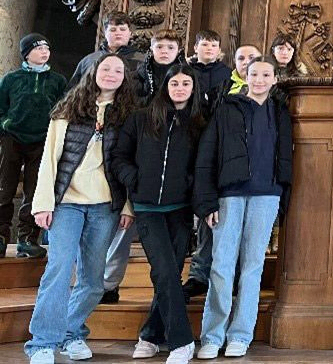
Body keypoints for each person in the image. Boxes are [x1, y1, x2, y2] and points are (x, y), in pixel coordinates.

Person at [24, 54, 136, 364]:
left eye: (118, 70)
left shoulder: (128, 115)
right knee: (59, 270)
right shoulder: (67, 110)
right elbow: (49, 160)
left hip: (105, 207)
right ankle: (42, 343)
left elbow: (129, 164)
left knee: (93, 279)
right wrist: (43, 203)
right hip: (67, 204)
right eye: (105, 68)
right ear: (92, 72)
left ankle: (72, 333)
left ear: (125, 77)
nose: (111, 74)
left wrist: (127, 205)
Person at [193, 57, 292, 359]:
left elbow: (287, 156)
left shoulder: (280, 112)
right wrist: (207, 200)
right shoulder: (227, 108)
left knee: (252, 267)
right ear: (245, 77)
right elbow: (208, 155)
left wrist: (283, 196)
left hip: (267, 195)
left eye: (266, 75)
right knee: (222, 265)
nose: (260, 80)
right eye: (254, 74)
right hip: (230, 194)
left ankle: (240, 334)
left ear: (275, 79)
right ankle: (212, 335)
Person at [113, 65, 205, 363]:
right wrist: (134, 179)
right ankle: (182, 341)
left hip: (180, 210)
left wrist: (190, 188)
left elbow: (201, 165)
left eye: (186, 83)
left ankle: (151, 334)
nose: (180, 88)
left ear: (193, 88)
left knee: (169, 274)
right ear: (166, 86)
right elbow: (119, 156)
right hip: (147, 208)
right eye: (174, 83)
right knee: (164, 271)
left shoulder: (198, 123)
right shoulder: (141, 118)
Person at [101, 28, 186, 304]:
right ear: (152, 49)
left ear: (178, 51)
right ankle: (108, 284)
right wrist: (132, 176)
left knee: (168, 244)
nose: (164, 52)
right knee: (122, 224)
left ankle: (166, 290)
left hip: (168, 164)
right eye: (159, 47)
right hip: (136, 152)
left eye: (169, 48)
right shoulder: (136, 78)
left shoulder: (183, 79)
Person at [184, 43, 262, 302]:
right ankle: (199, 275)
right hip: (220, 164)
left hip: (253, 170)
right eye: (241, 58)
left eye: (252, 57)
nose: (246, 61)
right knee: (210, 222)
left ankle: (238, 279)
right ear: (234, 62)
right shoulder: (220, 90)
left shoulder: (269, 92)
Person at [0, 34, 67, 258]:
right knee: (4, 189)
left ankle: (28, 239)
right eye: (38, 48)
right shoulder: (11, 79)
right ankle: (1, 236)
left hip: (42, 140)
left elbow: (62, 108)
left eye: (47, 48)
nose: (44, 52)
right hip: (13, 138)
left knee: (35, 190)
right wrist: (6, 124)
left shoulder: (57, 80)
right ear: (27, 53)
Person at [68, 11, 145, 89]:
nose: (118, 33)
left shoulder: (142, 60)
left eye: (122, 29)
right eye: (113, 30)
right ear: (105, 33)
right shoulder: (89, 61)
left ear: (130, 34)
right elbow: (72, 91)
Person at [187, 30, 232, 106]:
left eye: (214, 45)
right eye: (204, 44)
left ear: (219, 50)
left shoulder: (227, 73)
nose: (209, 48)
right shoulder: (186, 70)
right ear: (196, 48)